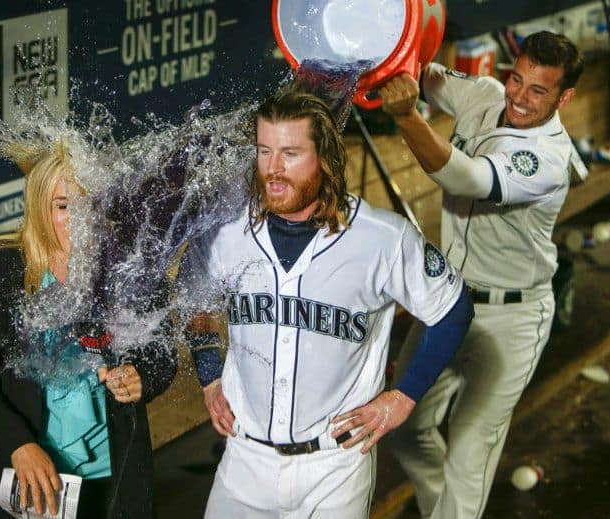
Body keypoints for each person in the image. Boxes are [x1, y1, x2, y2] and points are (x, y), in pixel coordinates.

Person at [180, 88, 474, 518]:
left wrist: (403, 398)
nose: (273, 170)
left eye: (291, 153)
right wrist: (209, 376)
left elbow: (454, 310)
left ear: (326, 158)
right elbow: (195, 302)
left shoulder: (381, 239)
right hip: (243, 462)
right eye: (265, 151)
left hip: (334, 468)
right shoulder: (225, 232)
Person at [378, 31, 584, 519]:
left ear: (564, 97)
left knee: (470, 454)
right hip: (447, 305)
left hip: (512, 318)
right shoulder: (487, 94)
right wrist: (393, 53)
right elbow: (421, 75)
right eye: (518, 79)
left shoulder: (549, 160)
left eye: (539, 90)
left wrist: (407, 117)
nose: (520, 96)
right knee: (406, 432)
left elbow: (466, 178)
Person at [0, 145, 178, 519]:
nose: (78, 219)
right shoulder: (7, 269)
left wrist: (142, 376)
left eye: (89, 204)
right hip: (29, 469)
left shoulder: (133, 268)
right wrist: (19, 444)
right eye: (62, 206)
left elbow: (161, 352)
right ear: (41, 209)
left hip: (111, 475)